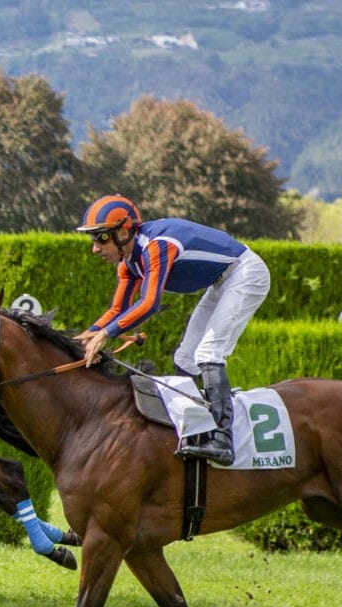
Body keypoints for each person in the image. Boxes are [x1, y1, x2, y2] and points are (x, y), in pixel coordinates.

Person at [75, 194, 271, 463]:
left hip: (246, 273)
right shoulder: (128, 263)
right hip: (221, 281)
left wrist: (106, 334)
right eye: (93, 238)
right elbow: (116, 310)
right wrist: (88, 335)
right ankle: (194, 431)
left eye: (101, 237)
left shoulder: (156, 247)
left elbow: (150, 303)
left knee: (209, 353)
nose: (95, 248)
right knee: (184, 358)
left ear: (123, 232)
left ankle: (222, 440)